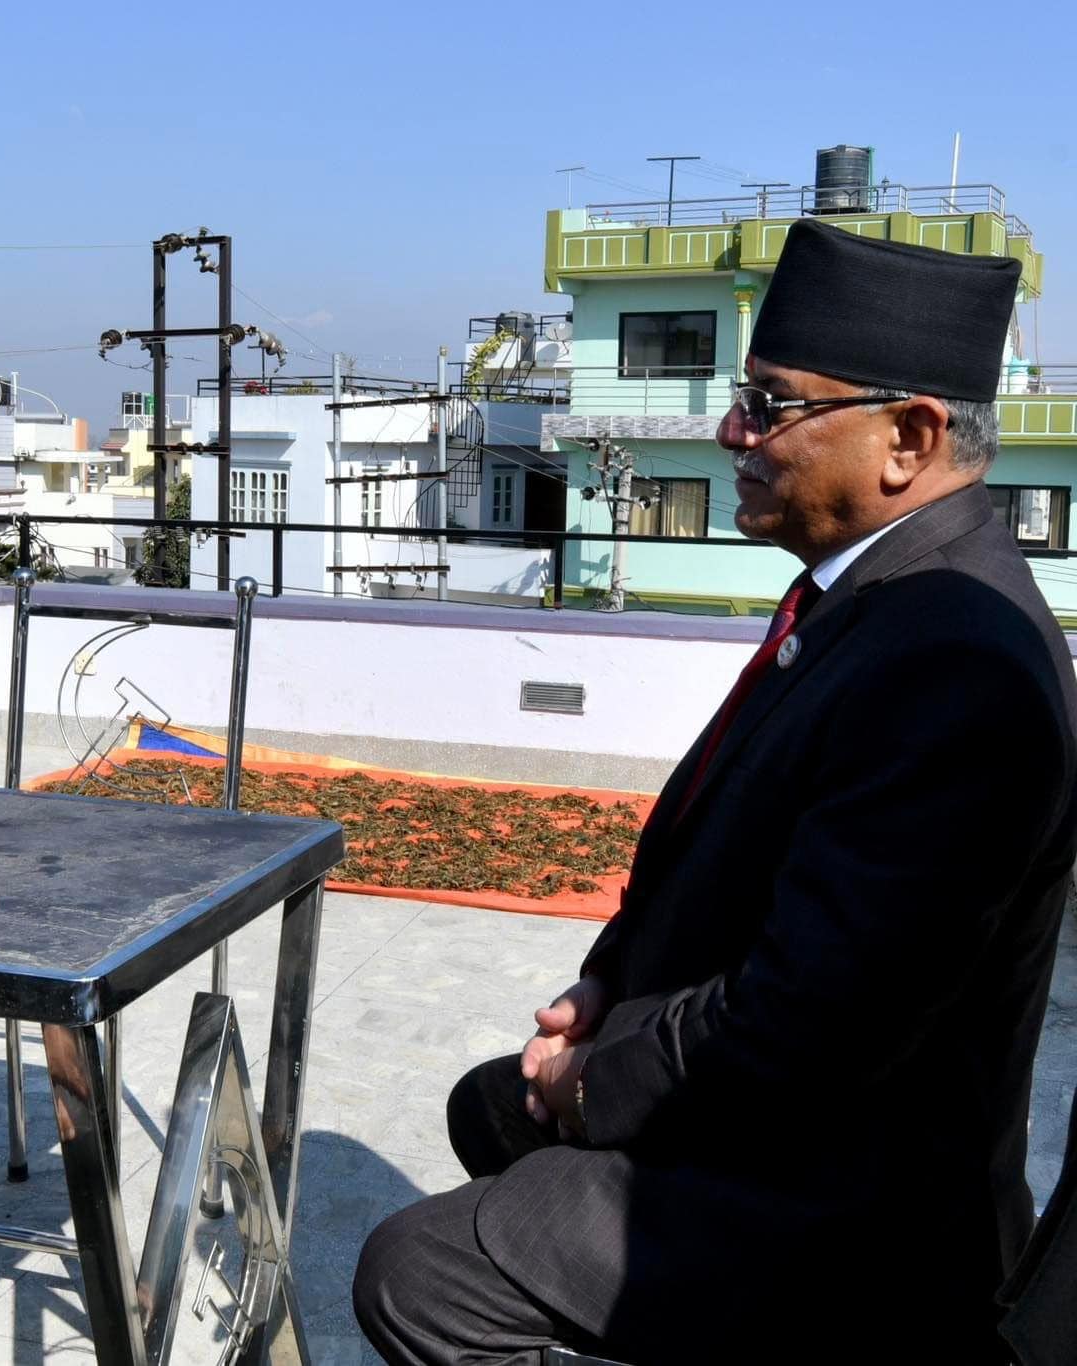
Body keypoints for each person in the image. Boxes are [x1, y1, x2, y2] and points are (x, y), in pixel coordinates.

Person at [352, 220, 1077, 1363]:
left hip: (850, 1204)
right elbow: (718, 841)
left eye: (769, 405)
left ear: (907, 437)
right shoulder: (877, 594)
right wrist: (605, 985)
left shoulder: (955, 661)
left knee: (418, 1274)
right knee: (486, 1105)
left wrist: (594, 1084)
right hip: (785, 1115)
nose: (732, 430)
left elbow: (813, 1026)